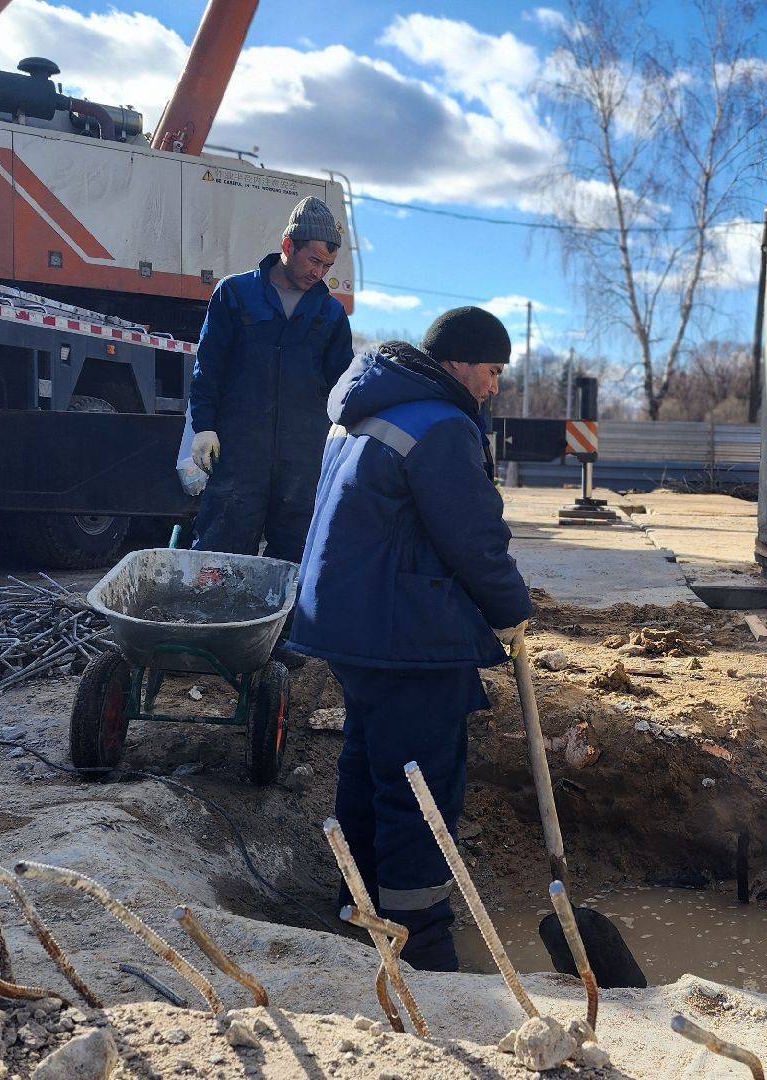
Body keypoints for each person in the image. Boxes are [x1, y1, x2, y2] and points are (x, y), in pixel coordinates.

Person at [286, 306, 530, 970]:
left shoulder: (365, 413)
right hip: (407, 634)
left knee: (371, 770)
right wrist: (512, 611)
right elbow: (476, 540)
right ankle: (418, 940)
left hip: (351, 628)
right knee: (421, 786)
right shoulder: (443, 426)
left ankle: (359, 910)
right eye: (491, 370)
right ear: (456, 364)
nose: (494, 386)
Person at [187, 196, 354, 563]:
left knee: (298, 558)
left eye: (327, 265)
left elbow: (343, 387)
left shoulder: (330, 313)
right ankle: (219, 621)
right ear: (287, 246)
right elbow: (209, 366)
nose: (319, 272)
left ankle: (289, 624)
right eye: (314, 260)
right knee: (221, 553)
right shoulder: (234, 294)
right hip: (238, 453)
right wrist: (204, 427)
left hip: (303, 459)